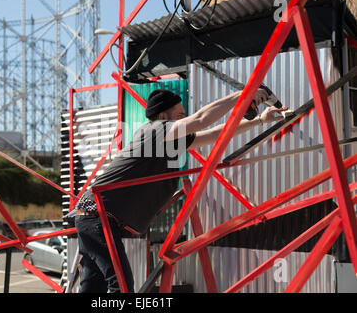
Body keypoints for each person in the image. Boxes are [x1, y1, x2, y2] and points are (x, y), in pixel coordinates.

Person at [72, 88, 288, 293]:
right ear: (163, 115)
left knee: (94, 285)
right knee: (121, 284)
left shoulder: (170, 141)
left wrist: (259, 120)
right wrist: (243, 94)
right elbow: (201, 120)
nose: (185, 119)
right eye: (180, 115)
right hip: (97, 215)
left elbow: (214, 133)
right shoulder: (154, 130)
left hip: (97, 218)